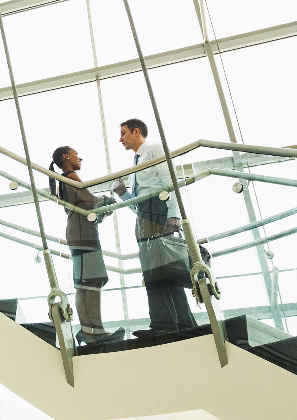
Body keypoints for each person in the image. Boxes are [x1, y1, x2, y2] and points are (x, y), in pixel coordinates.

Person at [112, 118, 197, 333]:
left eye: (123, 133)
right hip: (145, 216)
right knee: (152, 271)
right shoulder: (136, 162)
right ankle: (169, 322)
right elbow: (138, 204)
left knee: (163, 268)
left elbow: (169, 181)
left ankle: (174, 323)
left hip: (159, 212)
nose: (120, 138)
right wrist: (124, 194)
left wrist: (174, 214)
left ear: (136, 132)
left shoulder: (154, 150)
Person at [49, 146, 125, 345]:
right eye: (75, 154)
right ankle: (96, 331)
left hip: (78, 233)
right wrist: (107, 201)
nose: (79, 157)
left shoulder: (64, 180)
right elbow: (89, 201)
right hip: (84, 235)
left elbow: (83, 205)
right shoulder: (71, 177)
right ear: (66, 157)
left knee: (84, 283)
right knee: (93, 281)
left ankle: (88, 330)